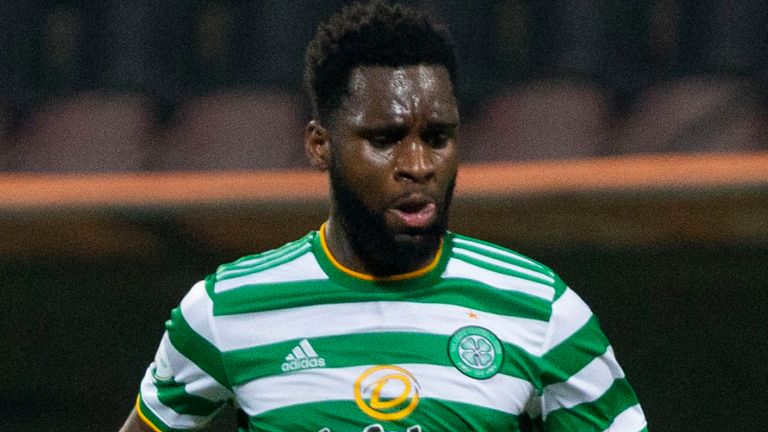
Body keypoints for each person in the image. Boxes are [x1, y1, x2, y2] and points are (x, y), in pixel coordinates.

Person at [119, 1, 647, 431]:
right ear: (320, 145)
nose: (417, 165)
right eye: (385, 139)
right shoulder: (226, 310)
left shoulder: (540, 309)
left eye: (438, 138)